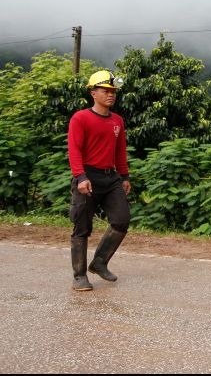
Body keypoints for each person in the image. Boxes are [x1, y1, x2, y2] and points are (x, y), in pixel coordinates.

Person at [67, 70, 131, 291]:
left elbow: (120, 151)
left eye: (113, 91)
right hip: (88, 176)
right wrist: (80, 176)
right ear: (93, 93)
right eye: (106, 91)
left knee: (122, 220)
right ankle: (79, 276)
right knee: (82, 227)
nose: (111, 95)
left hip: (111, 177)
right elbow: (74, 150)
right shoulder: (81, 118)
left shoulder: (117, 120)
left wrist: (124, 176)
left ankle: (100, 262)